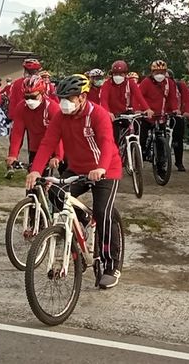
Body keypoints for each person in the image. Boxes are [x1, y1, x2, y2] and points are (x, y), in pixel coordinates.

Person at [25, 74, 123, 289]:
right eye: (61, 97)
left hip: (105, 170)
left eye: (69, 97)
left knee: (103, 212)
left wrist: (101, 168)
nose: (64, 102)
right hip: (76, 169)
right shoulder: (60, 117)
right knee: (55, 192)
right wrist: (35, 171)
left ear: (82, 97)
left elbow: (107, 143)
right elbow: (47, 143)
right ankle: (83, 220)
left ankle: (110, 265)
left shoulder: (98, 115)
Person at [7, 75, 63, 170]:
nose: (29, 101)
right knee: (34, 177)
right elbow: (17, 133)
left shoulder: (53, 108)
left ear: (42, 93)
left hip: (58, 145)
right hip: (36, 147)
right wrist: (13, 154)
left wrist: (58, 156)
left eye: (33, 97)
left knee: (65, 178)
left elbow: (59, 134)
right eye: (26, 97)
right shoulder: (21, 108)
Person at [100, 60, 149, 145]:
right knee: (114, 138)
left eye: (121, 74)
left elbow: (139, 96)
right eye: (116, 74)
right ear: (112, 74)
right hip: (113, 115)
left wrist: (147, 109)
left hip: (126, 112)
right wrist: (108, 112)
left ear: (125, 74)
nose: (118, 76)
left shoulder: (130, 83)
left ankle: (135, 147)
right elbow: (103, 100)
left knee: (137, 124)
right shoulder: (107, 84)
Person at [139, 60, 179, 162]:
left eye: (162, 72)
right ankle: (140, 155)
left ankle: (161, 164)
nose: (159, 75)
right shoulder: (146, 82)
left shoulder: (169, 83)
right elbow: (139, 97)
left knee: (161, 141)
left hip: (161, 116)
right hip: (147, 116)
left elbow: (173, 97)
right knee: (142, 139)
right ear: (152, 73)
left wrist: (175, 109)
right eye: (157, 73)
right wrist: (144, 109)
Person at [168, 69, 189, 172]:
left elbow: (187, 99)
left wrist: (186, 111)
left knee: (178, 140)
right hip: (162, 115)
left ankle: (179, 162)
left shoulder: (180, 86)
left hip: (177, 116)